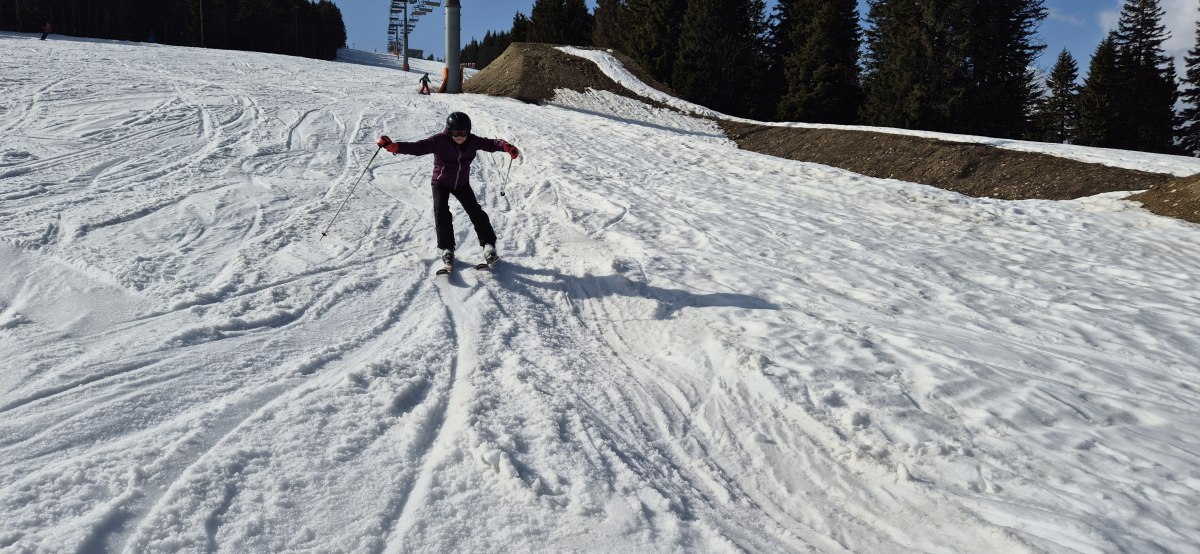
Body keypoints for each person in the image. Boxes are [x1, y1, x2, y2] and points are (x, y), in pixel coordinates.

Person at [376, 112, 520, 271]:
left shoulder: (472, 141)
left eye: (463, 133)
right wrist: (394, 147)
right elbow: (417, 147)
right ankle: (447, 249)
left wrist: (506, 146)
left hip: (461, 184)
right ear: (449, 130)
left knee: (475, 212)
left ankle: (488, 246)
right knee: (441, 212)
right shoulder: (439, 141)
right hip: (441, 183)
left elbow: (491, 143)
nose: (460, 137)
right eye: (456, 133)